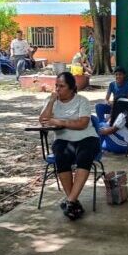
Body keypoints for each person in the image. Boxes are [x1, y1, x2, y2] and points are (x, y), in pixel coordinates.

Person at [39, 72, 100, 220]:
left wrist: (60, 122)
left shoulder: (82, 101)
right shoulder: (51, 100)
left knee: (84, 155)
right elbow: (43, 121)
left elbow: (82, 124)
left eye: (62, 86)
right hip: (63, 139)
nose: (58, 89)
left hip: (86, 137)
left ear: (72, 88)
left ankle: (70, 200)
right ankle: (72, 201)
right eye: (56, 86)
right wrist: (51, 101)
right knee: (61, 156)